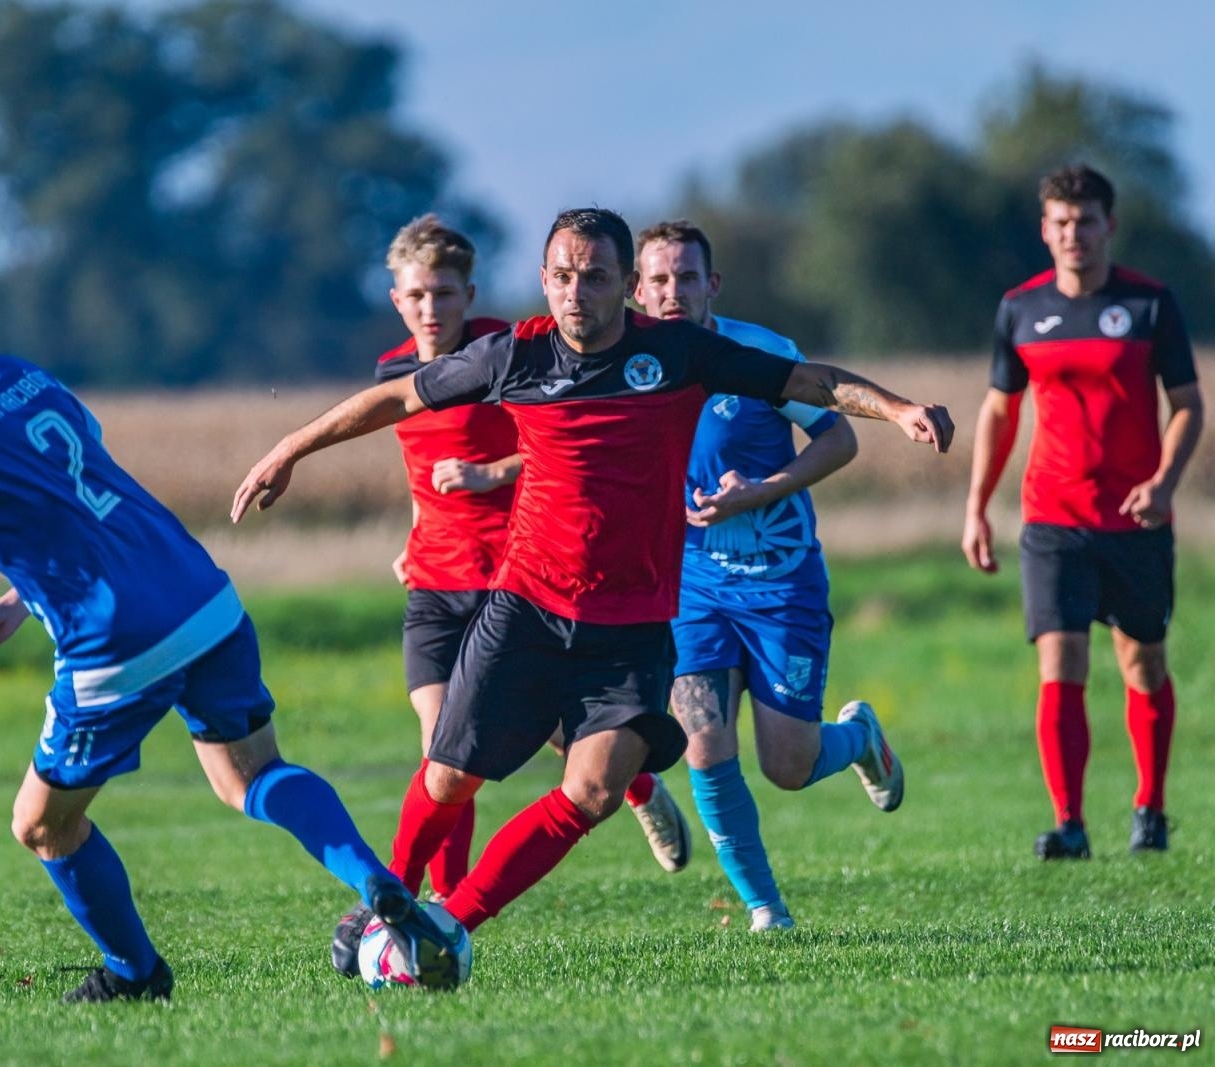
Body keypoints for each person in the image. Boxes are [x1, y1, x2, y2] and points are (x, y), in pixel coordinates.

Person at [0, 263, 457, 1002]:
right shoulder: (21, 377)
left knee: (42, 823)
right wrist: (18, 602)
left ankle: (137, 973)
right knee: (252, 774)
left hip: (115, 640)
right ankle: (377, 882)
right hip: (201, 595)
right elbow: (83, 494)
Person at [234, 208, 953, 944]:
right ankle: (383, 899)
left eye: (596, 276)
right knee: (448, 777)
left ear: (624, 287)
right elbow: (398, 397)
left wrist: (898, 409)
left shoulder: (679, 354)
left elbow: (814, 382)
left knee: (593, 791)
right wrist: (291, 446)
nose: (577, 292)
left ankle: (450, 926)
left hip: (634, 626)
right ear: (545, 280)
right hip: (526, 609)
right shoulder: (515, 356)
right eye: (563, 276)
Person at [331, 215, 691, 975]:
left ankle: (635, 787)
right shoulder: (392, 373)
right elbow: (423, 464)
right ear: (396, 299)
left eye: (446, 294)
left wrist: (491, 477)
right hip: (435, 580)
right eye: (417, 296)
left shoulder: (512, 352)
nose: (432, 310)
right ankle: (426, 911)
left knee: (564, 745)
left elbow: (561, 447)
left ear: (471, 293)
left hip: (520, 580)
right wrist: (416, 533)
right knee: (444, 753)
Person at [632, 219, 904, 931]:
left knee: (789, 763)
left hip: (781, 583)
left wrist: (758, 491)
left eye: (686, 277)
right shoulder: (627, 367)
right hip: (691, 587)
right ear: (636, 289)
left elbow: (838, 438)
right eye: (658, 279)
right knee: (704, 739)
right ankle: (765, 908)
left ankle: (859, 739)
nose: (672, 292)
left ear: (711, 285)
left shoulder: (757, 353)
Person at [963, 164, 1203, 859]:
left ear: (1109, 226)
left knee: (1144, 664)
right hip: (1051, 518)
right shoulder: (1019, 309)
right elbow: (1000, 411)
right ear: (1045, 230)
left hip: (1137, 519)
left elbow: (1188, 406)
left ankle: (1150, 809)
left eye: (1086, 221)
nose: (1074, 235)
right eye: (1061, 223)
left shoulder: (1152, 304)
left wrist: (1164, 482)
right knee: (1060, 661)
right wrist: (977, 507)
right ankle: (1069, 823)